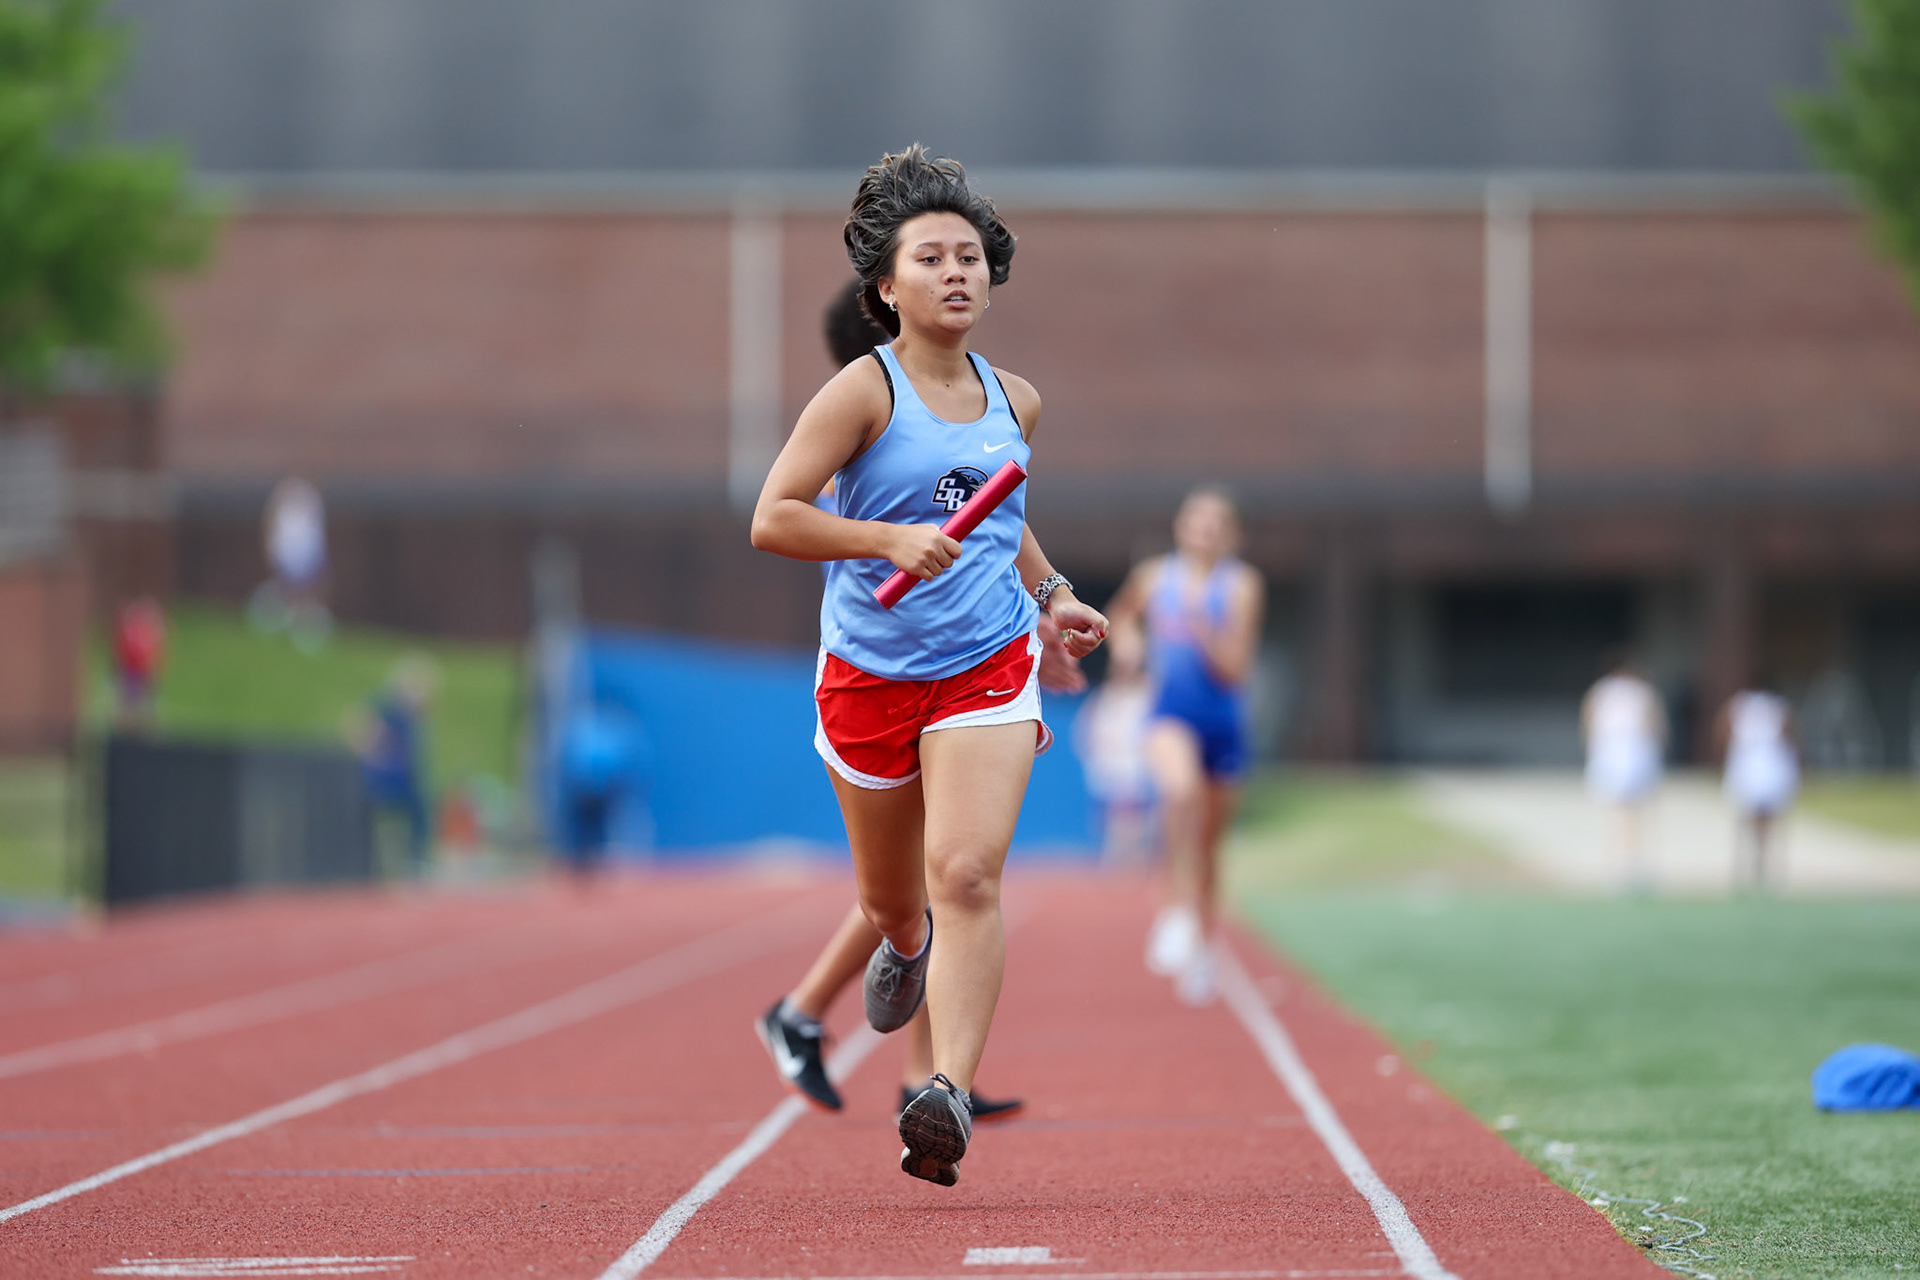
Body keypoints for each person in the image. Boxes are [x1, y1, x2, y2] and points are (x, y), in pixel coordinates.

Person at [751, 145, 1107, 1186]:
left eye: (970, 258)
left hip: (984, 663)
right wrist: (885, 540)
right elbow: (774, 517)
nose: (956, 273)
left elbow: (999, 516)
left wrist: (1053, 596)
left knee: (966, 874)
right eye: (932, 258)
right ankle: (903, 949)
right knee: (895, 905)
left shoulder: (1017, 401)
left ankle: (943, 1089)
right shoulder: (860, 393)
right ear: (885, 287)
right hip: (868, 673)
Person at [1104, 488, 1264, 1006]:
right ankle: (1172, 909)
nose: (1206, 529)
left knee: (1210, 846)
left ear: (1232, 534)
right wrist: (1128, 642)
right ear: (1181, 527)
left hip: (1222, 723)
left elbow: (1235, 670)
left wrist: (1202, 629)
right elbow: (1121, 614)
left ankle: (1203, 944)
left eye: (1217, 522)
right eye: (1197, 520)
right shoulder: (1155, 576)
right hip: (1168, 715)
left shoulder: (1241, 585)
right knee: (1180, 791)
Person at [1581, 650, 1667, 893]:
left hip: (1620, 753)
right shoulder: (1627, 692)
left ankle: (1624, 866)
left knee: (1621, 814)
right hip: (1625, 754)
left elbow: (1588, 723)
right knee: (1628, 814)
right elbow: (1655, 724)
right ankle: (1625, 866)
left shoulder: (1607, 691)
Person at [1718, 682, 1798, 892]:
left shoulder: (1771, 706)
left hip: (1764, 766)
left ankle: (1761, 867)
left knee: (1763, 820)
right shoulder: (1741, 705)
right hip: (1753, 766)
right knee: (1749, 819)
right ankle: (1750, 867)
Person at [249, 475, 332, 652]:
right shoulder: (285, 492)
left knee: (306, 592)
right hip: (287, 550)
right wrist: (270, 547)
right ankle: (277, 620)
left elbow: (317, 530)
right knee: (288, 589)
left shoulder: (312, 497)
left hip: (307, 553)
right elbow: (271, 521)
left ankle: (304, 629)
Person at [112, 596, 167, 730]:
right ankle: (127, 726)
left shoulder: (151, 632)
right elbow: (125, 650)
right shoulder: (132, 630)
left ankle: (139, 727)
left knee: (143, 703)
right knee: (130, 703)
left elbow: (155, 653)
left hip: (143, 673)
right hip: (131, 672)